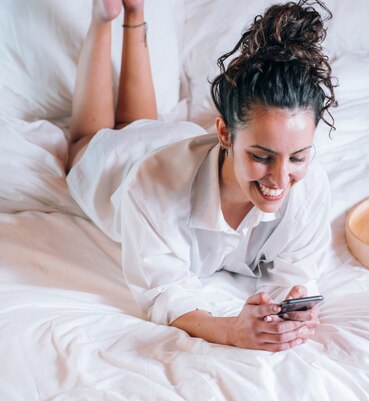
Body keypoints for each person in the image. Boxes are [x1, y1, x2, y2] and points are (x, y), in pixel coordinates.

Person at [66, 0, 337, 352]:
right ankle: (103, 19)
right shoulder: (147, 189)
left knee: (144, 121)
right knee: (87, 140)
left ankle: (135, 13)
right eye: (261, 156)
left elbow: (296, 272)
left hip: (171, 137)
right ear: (225, 133)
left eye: (298, 157)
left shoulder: (311, 188)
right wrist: (229, 331)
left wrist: (296, 303)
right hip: (119, 163)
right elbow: (164, 293)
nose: (281, 179)